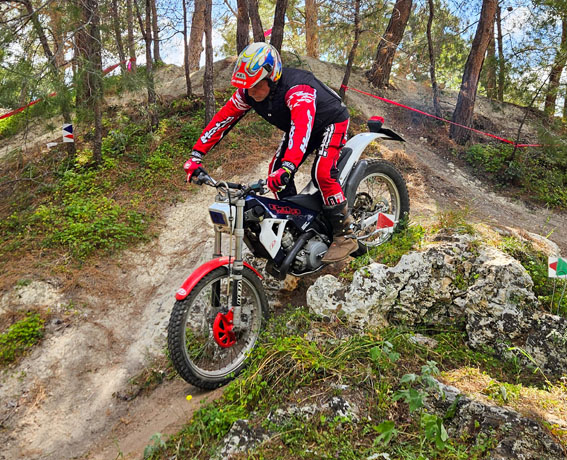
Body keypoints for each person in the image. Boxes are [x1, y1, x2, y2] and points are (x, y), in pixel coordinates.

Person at [183, 42, 358, 263]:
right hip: (300, 126)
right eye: (247, 86)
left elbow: (301, 131)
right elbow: (222, 120)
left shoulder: (297, 90)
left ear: (272, 78)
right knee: (276, 172)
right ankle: (298, 225)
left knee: (322, 173)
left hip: (330, 121)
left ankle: (345, 234)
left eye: (256, 85)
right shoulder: (247, 93)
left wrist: (288, 167)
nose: (251, 92)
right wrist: (196, 155)